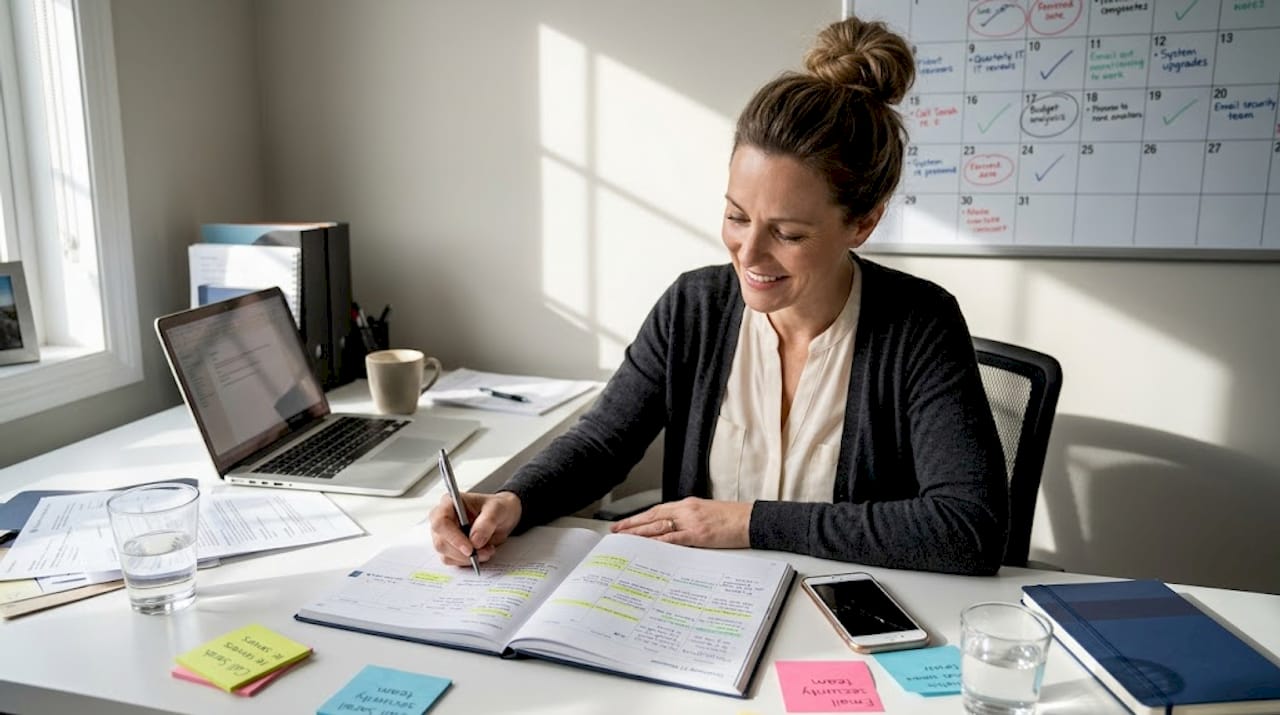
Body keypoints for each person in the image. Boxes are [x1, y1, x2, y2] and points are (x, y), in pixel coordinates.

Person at [430, 16, 1008, 576]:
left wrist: (749, 524)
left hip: (841, 622)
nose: (748, 254)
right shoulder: (694, 308)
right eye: (736, 216)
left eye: (788, 233)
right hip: (701, 613)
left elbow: (969, 529)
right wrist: (515, 499)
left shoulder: (918, 324)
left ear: (862, 224)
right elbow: (604, 442)